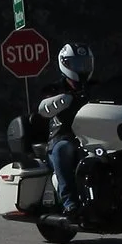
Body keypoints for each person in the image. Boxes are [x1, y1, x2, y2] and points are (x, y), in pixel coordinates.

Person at [37, 43, 97, 218]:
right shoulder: (54, 89)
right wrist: (64, 99)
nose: (82, 69)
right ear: (65, 64)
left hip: (97, 137)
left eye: (85, 64)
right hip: (63, 137)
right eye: (76, 64)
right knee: (63, 150)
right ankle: (70, 202)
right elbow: (43, 108)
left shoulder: (97, 87)